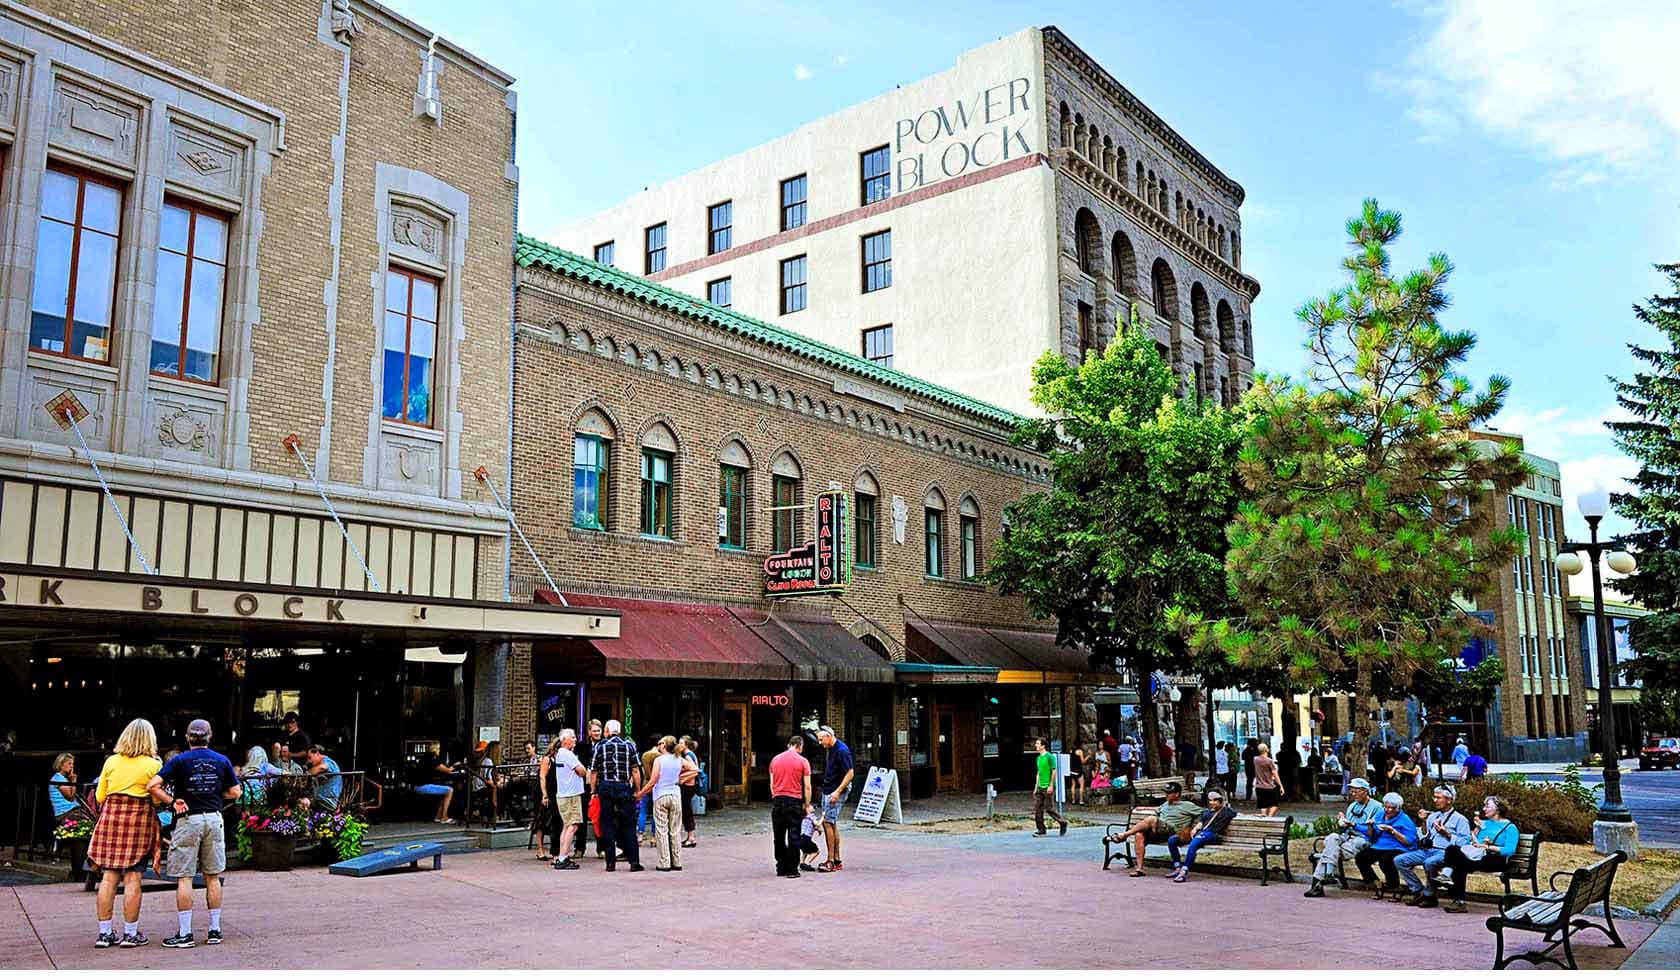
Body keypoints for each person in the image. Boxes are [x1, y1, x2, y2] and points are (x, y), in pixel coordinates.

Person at [157, 719, 240, 949]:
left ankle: (185, 933)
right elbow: (235, 792)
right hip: (214, 816)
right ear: (209, 737)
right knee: (212, 875)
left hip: (188, 818)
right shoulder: (221, 760)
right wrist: (215, 794)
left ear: (187, 737)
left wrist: (173, 802)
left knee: (185, 877)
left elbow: (153, 785)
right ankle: (215, 929)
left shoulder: (179, 760)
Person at [88, 718, 167, 949]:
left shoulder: (111, 761)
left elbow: (101, 796)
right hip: (139, 821)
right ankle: (130, 934)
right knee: (134, 877)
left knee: (109, 876)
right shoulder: (153, 765)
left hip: (111, 820)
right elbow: (155, 799)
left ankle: (104, 934)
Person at [1394, 784, 1471, 908]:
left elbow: (1465, 843)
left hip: (1445, 852)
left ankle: (1430, 896)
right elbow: (1424, 835)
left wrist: (1446, 833)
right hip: (1428, 849)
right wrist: (1424, 821)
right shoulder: (1433, 816)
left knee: (1430, 863)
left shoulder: (1460, 819)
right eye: (1434, 797)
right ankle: (1419, 891)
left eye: (1438, 798)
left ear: (1449, 800)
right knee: (1399, 860)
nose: (1435, 800)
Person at [1303, 777, 1383, 896]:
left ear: (1365, 791)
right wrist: (1342, 821)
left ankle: (1317, 884)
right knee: (1332, 837)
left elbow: (1374, 832)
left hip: (1362, 840)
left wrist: (1354, 825)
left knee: (1328, 853)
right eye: (1351, 790)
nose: (1352, 793)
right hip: (1347, 837)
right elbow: (1343, 829)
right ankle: (1328, 875)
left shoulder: (1377, 807)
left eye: (1355, 791)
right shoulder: (1352, 806)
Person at [1442, 795, 1520, 913]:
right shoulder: (1484, 823)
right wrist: (1477, 829)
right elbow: (1470, 842)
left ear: (1498, 809)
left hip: (1495, 859)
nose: (1484, 809)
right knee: (1452, 849)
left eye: (1487, 806)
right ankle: (1449, 877)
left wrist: (1488, 847)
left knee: (1459, 865)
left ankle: (1456, 896)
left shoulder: (1510, 827)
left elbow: (1510, 850)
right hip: (1477, 856)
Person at [1107, 781, 1201, 878]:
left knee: (1152, 819)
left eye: (1169, 793)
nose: (1166, 795)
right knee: (1139, 834)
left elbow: (1204, 813)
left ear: (1177, 794)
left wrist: (1197, 826)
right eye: (1166, 792)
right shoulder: (1165, 804)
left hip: (1173, 831)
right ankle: (1139, 869)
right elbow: (1156, 810)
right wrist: (1143, 808)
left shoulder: (1187, 805)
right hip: (1160, 831)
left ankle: (1124, 835)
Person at [588, 720, 642, 872]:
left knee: (607, 824)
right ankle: (634, 862)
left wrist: (593, 791)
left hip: (605, 787)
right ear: (619, 731)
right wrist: (637, 790)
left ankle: (610, 862)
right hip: (624, 786)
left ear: (606, 730)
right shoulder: (629, 745)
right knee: (629, 825)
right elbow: (635, 770)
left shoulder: (600, 746)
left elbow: (593, 772)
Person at [1353, 791, 1419, 900]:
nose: (1388, 810)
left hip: (1398, 847)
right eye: (1386, 807)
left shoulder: (1405, 819)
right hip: (1379, 846)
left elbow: (1410, 841)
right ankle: (1376, 883)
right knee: (1361, 857)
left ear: (1398, 808)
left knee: (1386, 860)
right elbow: (1372, 835)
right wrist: (1370, 826)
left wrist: (1393, 831)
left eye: (1392, 808)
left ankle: (1395, 888)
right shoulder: (1381, 814)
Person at [768, 734, 812, 878]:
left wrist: (775, 797)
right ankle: (792, 869)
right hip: (794, 800)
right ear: (800, 746)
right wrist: (806, 805)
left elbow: (772, 784)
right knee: (794, 836)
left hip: (778, 800)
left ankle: (781, 867)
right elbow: (807, 787)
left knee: (778, 836)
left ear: (789, 745)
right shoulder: (803, 761)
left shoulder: (775, 760)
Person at [1169, 788, 1236, 882]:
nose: (1212, 802)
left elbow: (1235, 813)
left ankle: (1184, 872)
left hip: (1212, 834)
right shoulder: (1206, 812)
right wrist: (1195, 828)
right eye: (1210, 800)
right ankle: (1177, 867)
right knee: (1172, 840)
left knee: (1194, 844)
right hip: (1201, 833)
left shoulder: (1226, 811)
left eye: (1215, 800)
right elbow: (1201, 822)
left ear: (1220, 801)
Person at [814, 725, 854, 871]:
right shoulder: (832, 748)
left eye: (821, 739)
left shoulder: (842, 751)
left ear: (829, 736)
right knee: (831, 823)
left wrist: (837, 792)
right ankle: (836, 859)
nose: (820, 743)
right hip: (830, 788)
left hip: (834, 790)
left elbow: (850, 773)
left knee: (828, 823)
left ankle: (830, 861)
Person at [549, 729, 588, 870]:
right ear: (565, 740)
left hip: (563, 794)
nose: (575, 739)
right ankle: (564, 857)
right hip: (571, 795)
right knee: (573, 826)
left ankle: (561, 856)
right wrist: (583, 770)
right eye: (572, 737)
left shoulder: (560, 753)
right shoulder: (568, 754)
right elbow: (581, 771)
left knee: (566, 826)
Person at [574, 719, 603, 859]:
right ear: (589, 732)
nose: (597, 733)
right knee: (582, 817)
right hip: (584, 786)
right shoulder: (581, 746)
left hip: (600, 785)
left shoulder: (605, 745)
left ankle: (601, 848)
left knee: (600, 818)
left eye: (599, 730)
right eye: (594, 731)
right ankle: (579, 848)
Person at [1031, 737, 1068, 838]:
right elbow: (1038, 772)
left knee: (1049, 808)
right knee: (1038, 808)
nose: (1036, 745)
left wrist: (1051, 785)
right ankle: (1041, 829)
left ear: (1043, 746)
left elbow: (1054, 770)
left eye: (1038, 744)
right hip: (1040, 786)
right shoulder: (1038, 758)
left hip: (1048, 786)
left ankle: (1062, 822)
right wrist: (1036, 786)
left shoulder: (1049, 757)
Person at [414, 751, 458, 825]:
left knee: (444, 792)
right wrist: (455, 765)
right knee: (450, 790)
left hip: (417, 787)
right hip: (423, 787)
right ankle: (444, 817)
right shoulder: (432, 762)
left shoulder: (423, 762)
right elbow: (448, 770)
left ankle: (438, 816)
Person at [536, 740, 561, 861]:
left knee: (554, 821)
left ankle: (556, 848)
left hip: (557, 792)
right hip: (546, 791)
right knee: (542, 820)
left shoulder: (562, 759)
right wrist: (544, 795)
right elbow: (542, 777)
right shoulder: (548, 759)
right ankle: (540, 849)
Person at [638, 733, 663, 846]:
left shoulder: (644, 755)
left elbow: (642, 772)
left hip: (645, 784)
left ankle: (640, 835)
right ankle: (653, 837)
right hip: (657, 786)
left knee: (642, 812)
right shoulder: (660, 756)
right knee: (654, 813)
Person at [301, 745, 343, 811]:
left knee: (302, 803)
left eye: (310, 757)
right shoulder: (319, 763)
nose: (309, 761)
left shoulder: (328, 762)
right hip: (320, 800)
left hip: (328, 801)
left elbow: (322, 767)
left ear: (317, 754)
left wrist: (306, 774)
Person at [678, 735, 701, 849]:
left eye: (681, 743)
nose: (679, 745)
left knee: (686, 811)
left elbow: (695, 771)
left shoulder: (688, 756)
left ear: (686, 745)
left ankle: (691, 837)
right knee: (686, 810)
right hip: (689, 786)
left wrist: (682, 779)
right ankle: (689, 837)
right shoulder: (690, 754)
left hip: (688, 786)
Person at [1251, 743, 1281, 816]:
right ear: (1267, 750)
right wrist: (1280, 785)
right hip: (1270, 786)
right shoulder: (1269, 761)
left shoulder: (1255, 759)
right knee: (1275, 803)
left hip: (1259, 786)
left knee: (1263, 805)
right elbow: (1275, 774)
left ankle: (1264, 817)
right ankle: (1270, 817)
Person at [49, 752, 80, 819]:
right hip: (66, 812)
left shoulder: (63, 778)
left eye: (72, 764)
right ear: (61, 765)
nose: (72, 766)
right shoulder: (58, 778)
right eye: (69, 763)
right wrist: (74, 781)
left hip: (70, 811)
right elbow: (71, 798)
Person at [798, 807, 824, 872]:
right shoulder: (811, 816)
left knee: (805, 850)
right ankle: (807, 863)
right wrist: (823, 816)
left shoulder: (803, 817)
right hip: (806, 838)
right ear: (807, 810)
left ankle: (801, 862)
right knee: (816, 851)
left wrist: (818, 830)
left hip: (799, 838)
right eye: (810, 806)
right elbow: (817, 824)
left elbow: (811, 827)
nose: (813, 806)